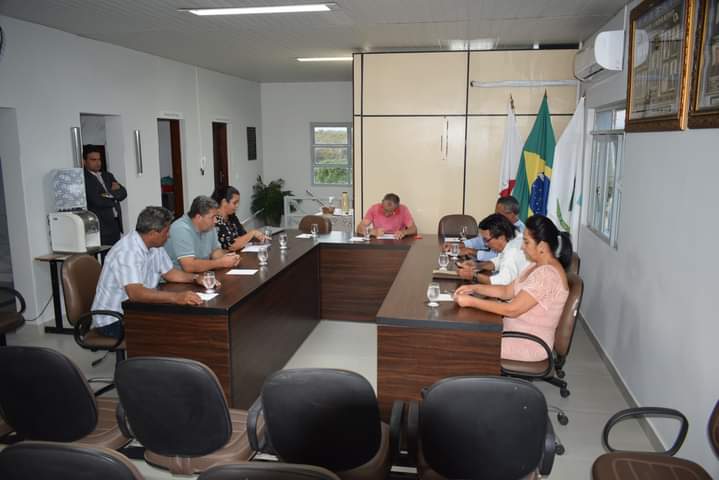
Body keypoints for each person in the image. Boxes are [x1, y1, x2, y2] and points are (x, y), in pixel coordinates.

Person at [453, 215, 571, 362]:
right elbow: (507, 291)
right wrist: (474, 288)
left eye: (526, 242)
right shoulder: (536, 265)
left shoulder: (547, 275)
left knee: (464, 342)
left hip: (529, 343)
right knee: (466, 334)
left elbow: (512, 310)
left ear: (541, 246)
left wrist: (472, 302)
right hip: (514, 332)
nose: (522, 247)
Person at [91, 206, 205, 339]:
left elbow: (170, 273)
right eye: (166, 231)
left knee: (182, 322)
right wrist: (176, 297)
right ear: (153, 233)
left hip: (138, 309)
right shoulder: (128, 251)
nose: (168, 236)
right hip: (114, 319)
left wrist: (196, 278)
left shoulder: (155, 246)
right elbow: (136, 293)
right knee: (175, 329)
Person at [164, 196, 241, 272]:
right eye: (212, 217)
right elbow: (189, 266)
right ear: (199, 217)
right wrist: (220, 263)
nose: (216, 221)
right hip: (180, 277)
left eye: (216, 216)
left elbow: (215, 251)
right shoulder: (180, 229)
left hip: (202, 274)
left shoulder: (209, 226)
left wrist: (228, 259)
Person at [456, 213, 529, 285]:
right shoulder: (514, 238)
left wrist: (473, 276)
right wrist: (477, 265)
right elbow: (499, 260)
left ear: (501, 237)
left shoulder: (512, 252)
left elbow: (501, 283)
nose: (485, 244)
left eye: (486, 240)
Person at [83, 145, 127, 245]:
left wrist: (108, 195)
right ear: (84, 161)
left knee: (116, 252)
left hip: (115, 224)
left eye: (99, 159)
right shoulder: (84, 179)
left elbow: (123, 193)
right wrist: (114, 195)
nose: (98, 162)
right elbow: (97, 201)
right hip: (101, 226)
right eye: (93, 160)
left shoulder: (107, 175)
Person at [459, 196, 525, 261]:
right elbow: (483, 240)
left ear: (511, 214)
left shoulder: (521, 233)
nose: (495, 216)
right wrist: (463, 244)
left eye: (498, 214)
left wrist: (472, 252)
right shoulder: (502, 225)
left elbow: (500, 257)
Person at [211, 185, 267, 252]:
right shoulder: (214, 220)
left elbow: (243, 235)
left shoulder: (232, 217)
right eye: (235, 203)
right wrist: (252, 233)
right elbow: (231, 246)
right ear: (224, 202)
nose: (237, 206)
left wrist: (255, 236)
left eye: (238, 203)